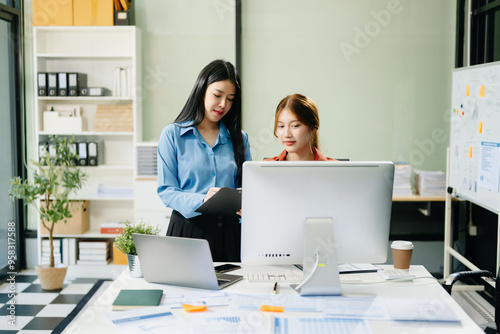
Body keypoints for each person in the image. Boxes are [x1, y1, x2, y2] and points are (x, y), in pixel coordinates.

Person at [157, 59, 252, 262]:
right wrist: (202, 201)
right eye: (217, 95)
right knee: (184, 293)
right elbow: (166, 191)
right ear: (201, 89)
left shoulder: (239, 139)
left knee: (235, 292)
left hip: (230, 235)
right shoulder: (172, 135)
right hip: (187, 232)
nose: (223, 105)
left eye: (230, 99)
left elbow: (248, 188)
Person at [265, 93, 335, 161]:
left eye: (295, 126)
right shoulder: (264, 169)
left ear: (312, 127)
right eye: (281, 126)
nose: (286, 134)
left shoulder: (336, 169)